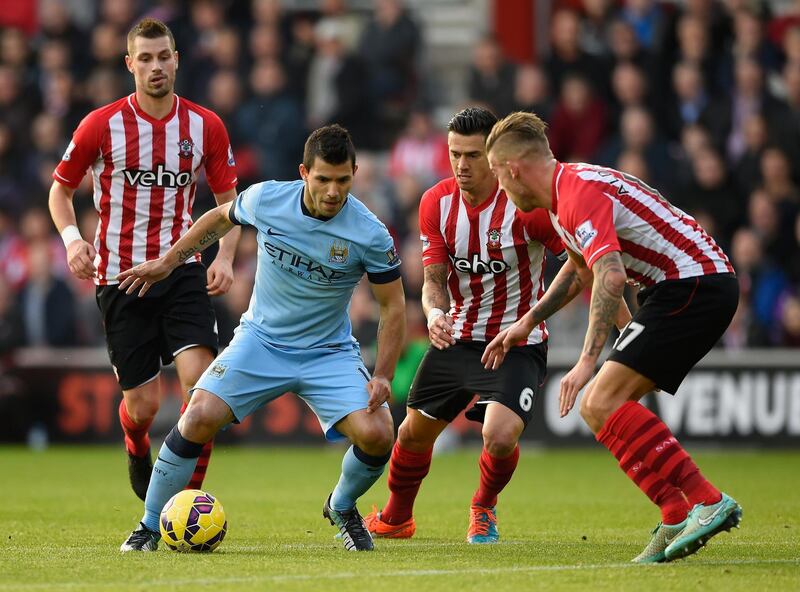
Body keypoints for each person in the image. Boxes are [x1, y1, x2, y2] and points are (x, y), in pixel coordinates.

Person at [117, 124, 406, 552]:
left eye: (342, 180)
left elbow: (393, 307)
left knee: (380, 432)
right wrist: (169, 262)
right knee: (196, 414)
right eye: (323, 179)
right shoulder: (268, 199)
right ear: (304, 172)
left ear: (355, 173)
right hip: (261, 342)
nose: (332, 191)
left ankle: (342, 506)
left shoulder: (370, 233)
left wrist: (382, 375)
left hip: (327, 353)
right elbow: (218, 217)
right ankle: (148, 527)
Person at [482, 111, 742, 563]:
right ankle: (673, 509)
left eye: (498, 179)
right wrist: (527, 320)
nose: (500, 190)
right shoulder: (565, 194)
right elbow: (582, 270)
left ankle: (705, 499)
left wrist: (588, 360)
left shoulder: (577, 193)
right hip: (688, 285)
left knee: (600, 398)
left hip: (692, 283)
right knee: (596, 407)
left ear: (513, 169)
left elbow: (610, 274)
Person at [48, 18, 241, 501]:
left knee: (203, 390)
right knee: (144, 406)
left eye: (164, 57)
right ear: (129, 64)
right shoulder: (101, 124)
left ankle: (185, 499)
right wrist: (73, 240)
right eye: (146, 58)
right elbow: (60, 190)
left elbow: (229, 204)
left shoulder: (204, 125)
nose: (156, 67)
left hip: (182, 271)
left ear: (177, 59)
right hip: (120, 278)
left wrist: (225, 256)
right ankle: (135, 442)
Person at [364, 107, 567, 544]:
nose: (461, 165)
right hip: (458, 336)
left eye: (472, 155)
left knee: (498, 433)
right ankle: (397, 517)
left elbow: (576, 261)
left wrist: (538, 317)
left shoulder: (526, 204)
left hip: (517, 341)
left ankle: (483, 508)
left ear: (494, 155)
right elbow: (434, 280)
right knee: (412, 432)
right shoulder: (435, 203)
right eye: (454, 153)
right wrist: (435, 315)